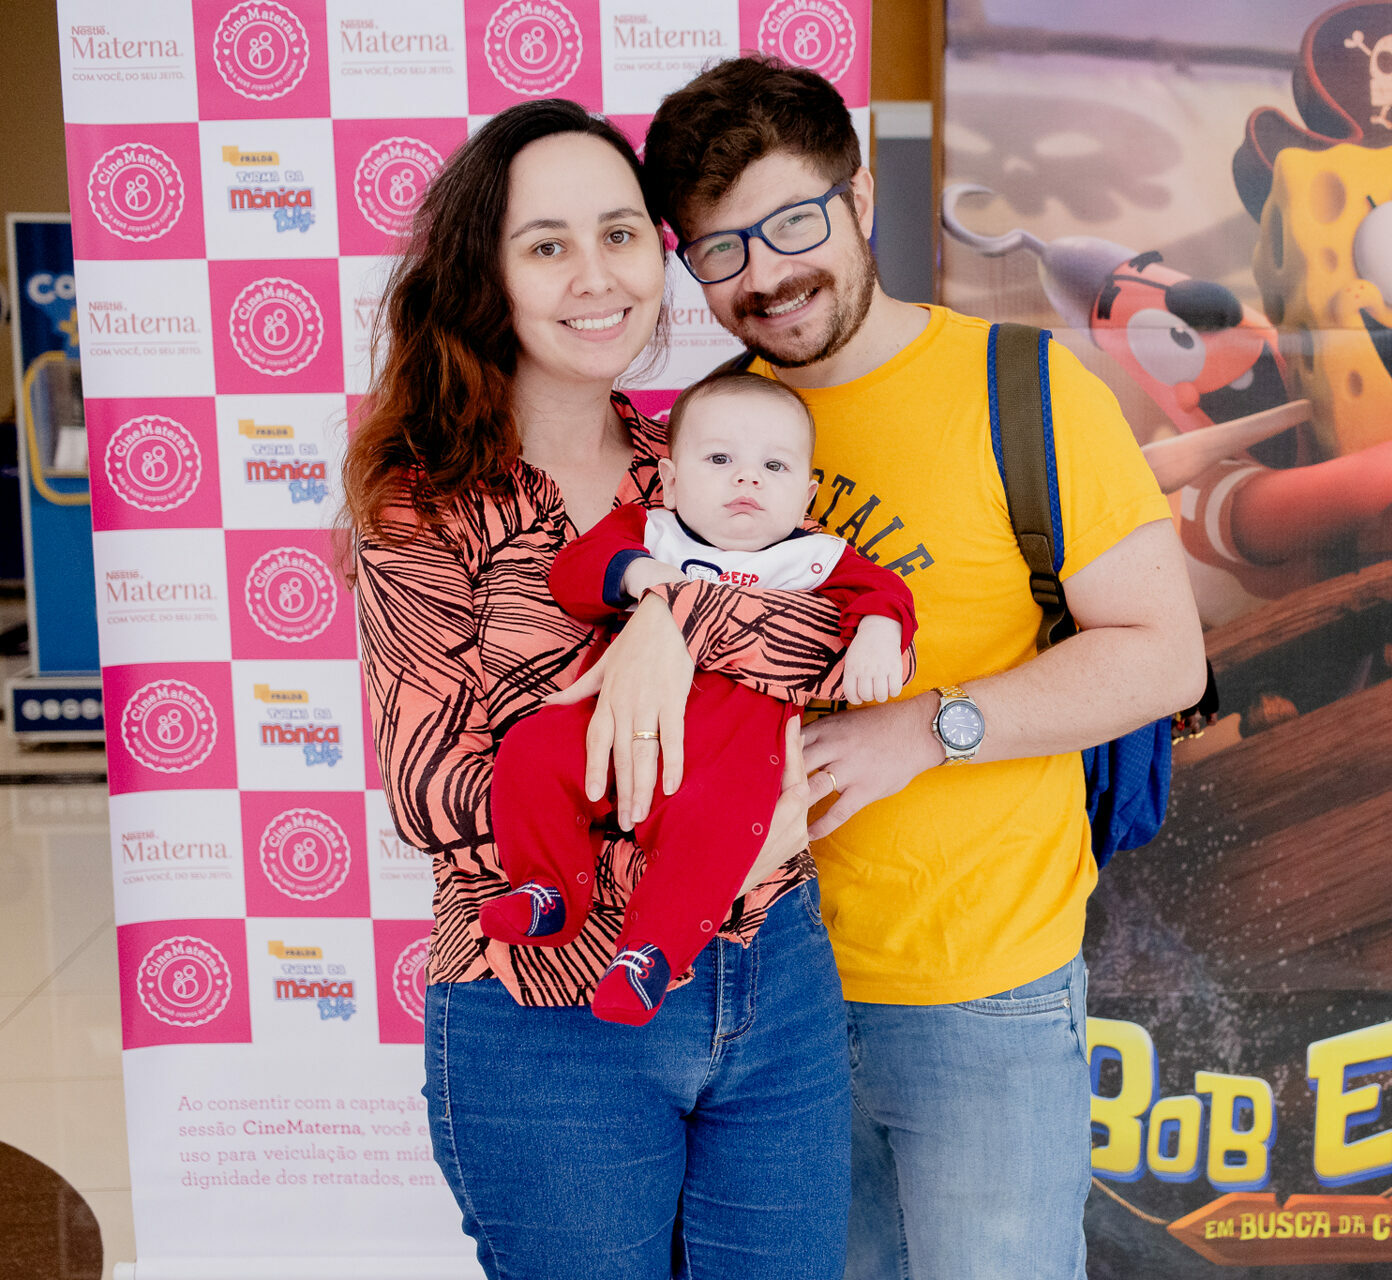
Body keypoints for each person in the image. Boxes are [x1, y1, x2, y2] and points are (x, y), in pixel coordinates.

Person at [629, 56, 1209, 1279]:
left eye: (793, 223)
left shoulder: (1021, 388)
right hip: (758, 997)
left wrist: (925, 727)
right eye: (720, 249)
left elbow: (1164, 654)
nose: (766, 275)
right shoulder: (709, 429)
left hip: (978, 992)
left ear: (859, 197)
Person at [343, 98, 855, 1280]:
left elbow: (824, 630)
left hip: (770, 982)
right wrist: (701, 799)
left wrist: (670, 627)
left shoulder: (698, 458)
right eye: (547, 244)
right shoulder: (422, 501)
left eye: (620, 234)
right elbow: (436, 791)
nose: (596, 275)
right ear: (487, 273)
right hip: (545, 1010)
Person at [481, 368, 916, 1026]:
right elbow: (573, 573)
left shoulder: (814, 558)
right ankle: (548, 888)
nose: (748, 479)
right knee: (532, 750)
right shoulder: (654, 533)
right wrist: (642, 575)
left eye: (774, 466)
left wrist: (879, 633)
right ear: (673, 479)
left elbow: (883, 594)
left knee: (715, 833)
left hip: (730, 754)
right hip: (612, 725)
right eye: (719, 460)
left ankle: (648, 955)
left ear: (806, 493)